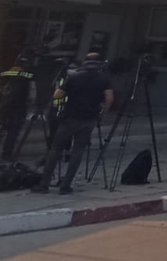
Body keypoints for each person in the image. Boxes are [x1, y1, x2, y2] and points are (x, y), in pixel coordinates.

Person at [33, 53, 113, 195]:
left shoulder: (74, 77)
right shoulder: (104, 79)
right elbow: (109, 99)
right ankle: (66, 185)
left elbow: (57, 95)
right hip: (89, 119)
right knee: (78, 151)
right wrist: (102, 113)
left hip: (69, 118)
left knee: (55, 150)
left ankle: (44, 184)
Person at [0, 53, 37, 161]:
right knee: (14, 131)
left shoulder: (10, 71)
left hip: (7, 104)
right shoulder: (29, 73)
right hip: (20, 104)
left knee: (4, 128)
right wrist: (33, 104)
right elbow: (32, 90)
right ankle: (7, 153)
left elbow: (2, 87)